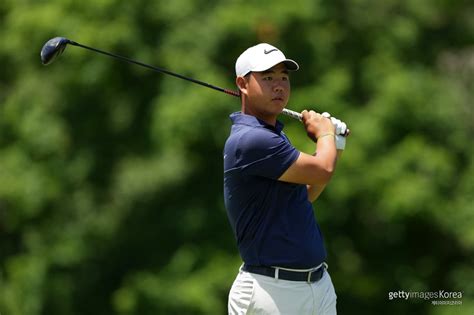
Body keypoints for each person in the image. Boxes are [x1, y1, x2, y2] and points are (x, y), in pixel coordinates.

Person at [224, 43, 347, 315]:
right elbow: (323, 169)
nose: (279, 85)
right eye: (267, 78)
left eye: (283, 77)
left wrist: (335, 143)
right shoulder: (251, 140)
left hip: (316, 286)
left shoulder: (274, 136)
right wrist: (325, 134)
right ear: (242, 84)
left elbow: (308, 192)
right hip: (271, 292)